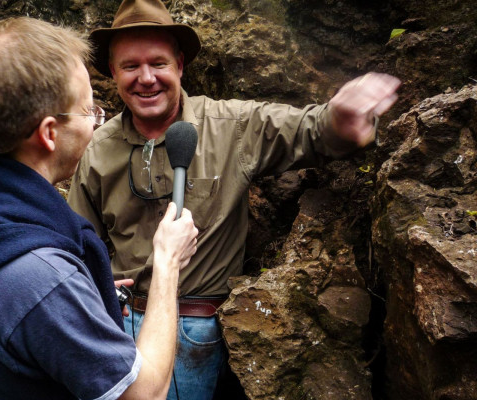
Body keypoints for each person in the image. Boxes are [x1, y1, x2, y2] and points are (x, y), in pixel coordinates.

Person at [67, 0, 401, 398]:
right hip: (117, 323)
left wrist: (339, 120)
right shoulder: (97, 147)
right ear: (112, 73)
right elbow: (75, 243)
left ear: (180, 66)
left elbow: (308, 130)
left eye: (158, 63)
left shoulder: (233, 126)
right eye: (130, 66)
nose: (146, 78)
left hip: (199, 329)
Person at [0, 16, 199, 400]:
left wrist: (76, 295)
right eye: (89, 111)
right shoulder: (42, 282)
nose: (95, 123)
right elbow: (144, 393)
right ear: (49, 134)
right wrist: (166, 262)